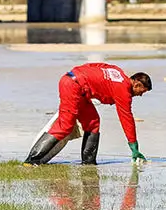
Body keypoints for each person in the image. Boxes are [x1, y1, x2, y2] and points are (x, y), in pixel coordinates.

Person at [24, 63, 152, 165]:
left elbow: (94, 66)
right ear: (136, 84)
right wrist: (134, 147)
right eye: (142, 92)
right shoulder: (123, 91)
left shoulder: (117, 71)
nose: (140, 95)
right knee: (65, 126)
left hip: (78, 87)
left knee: (93, 122)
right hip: (72, 86)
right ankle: (31, 161)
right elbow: (126, 119)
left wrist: (80, 75)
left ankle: (88, 163)